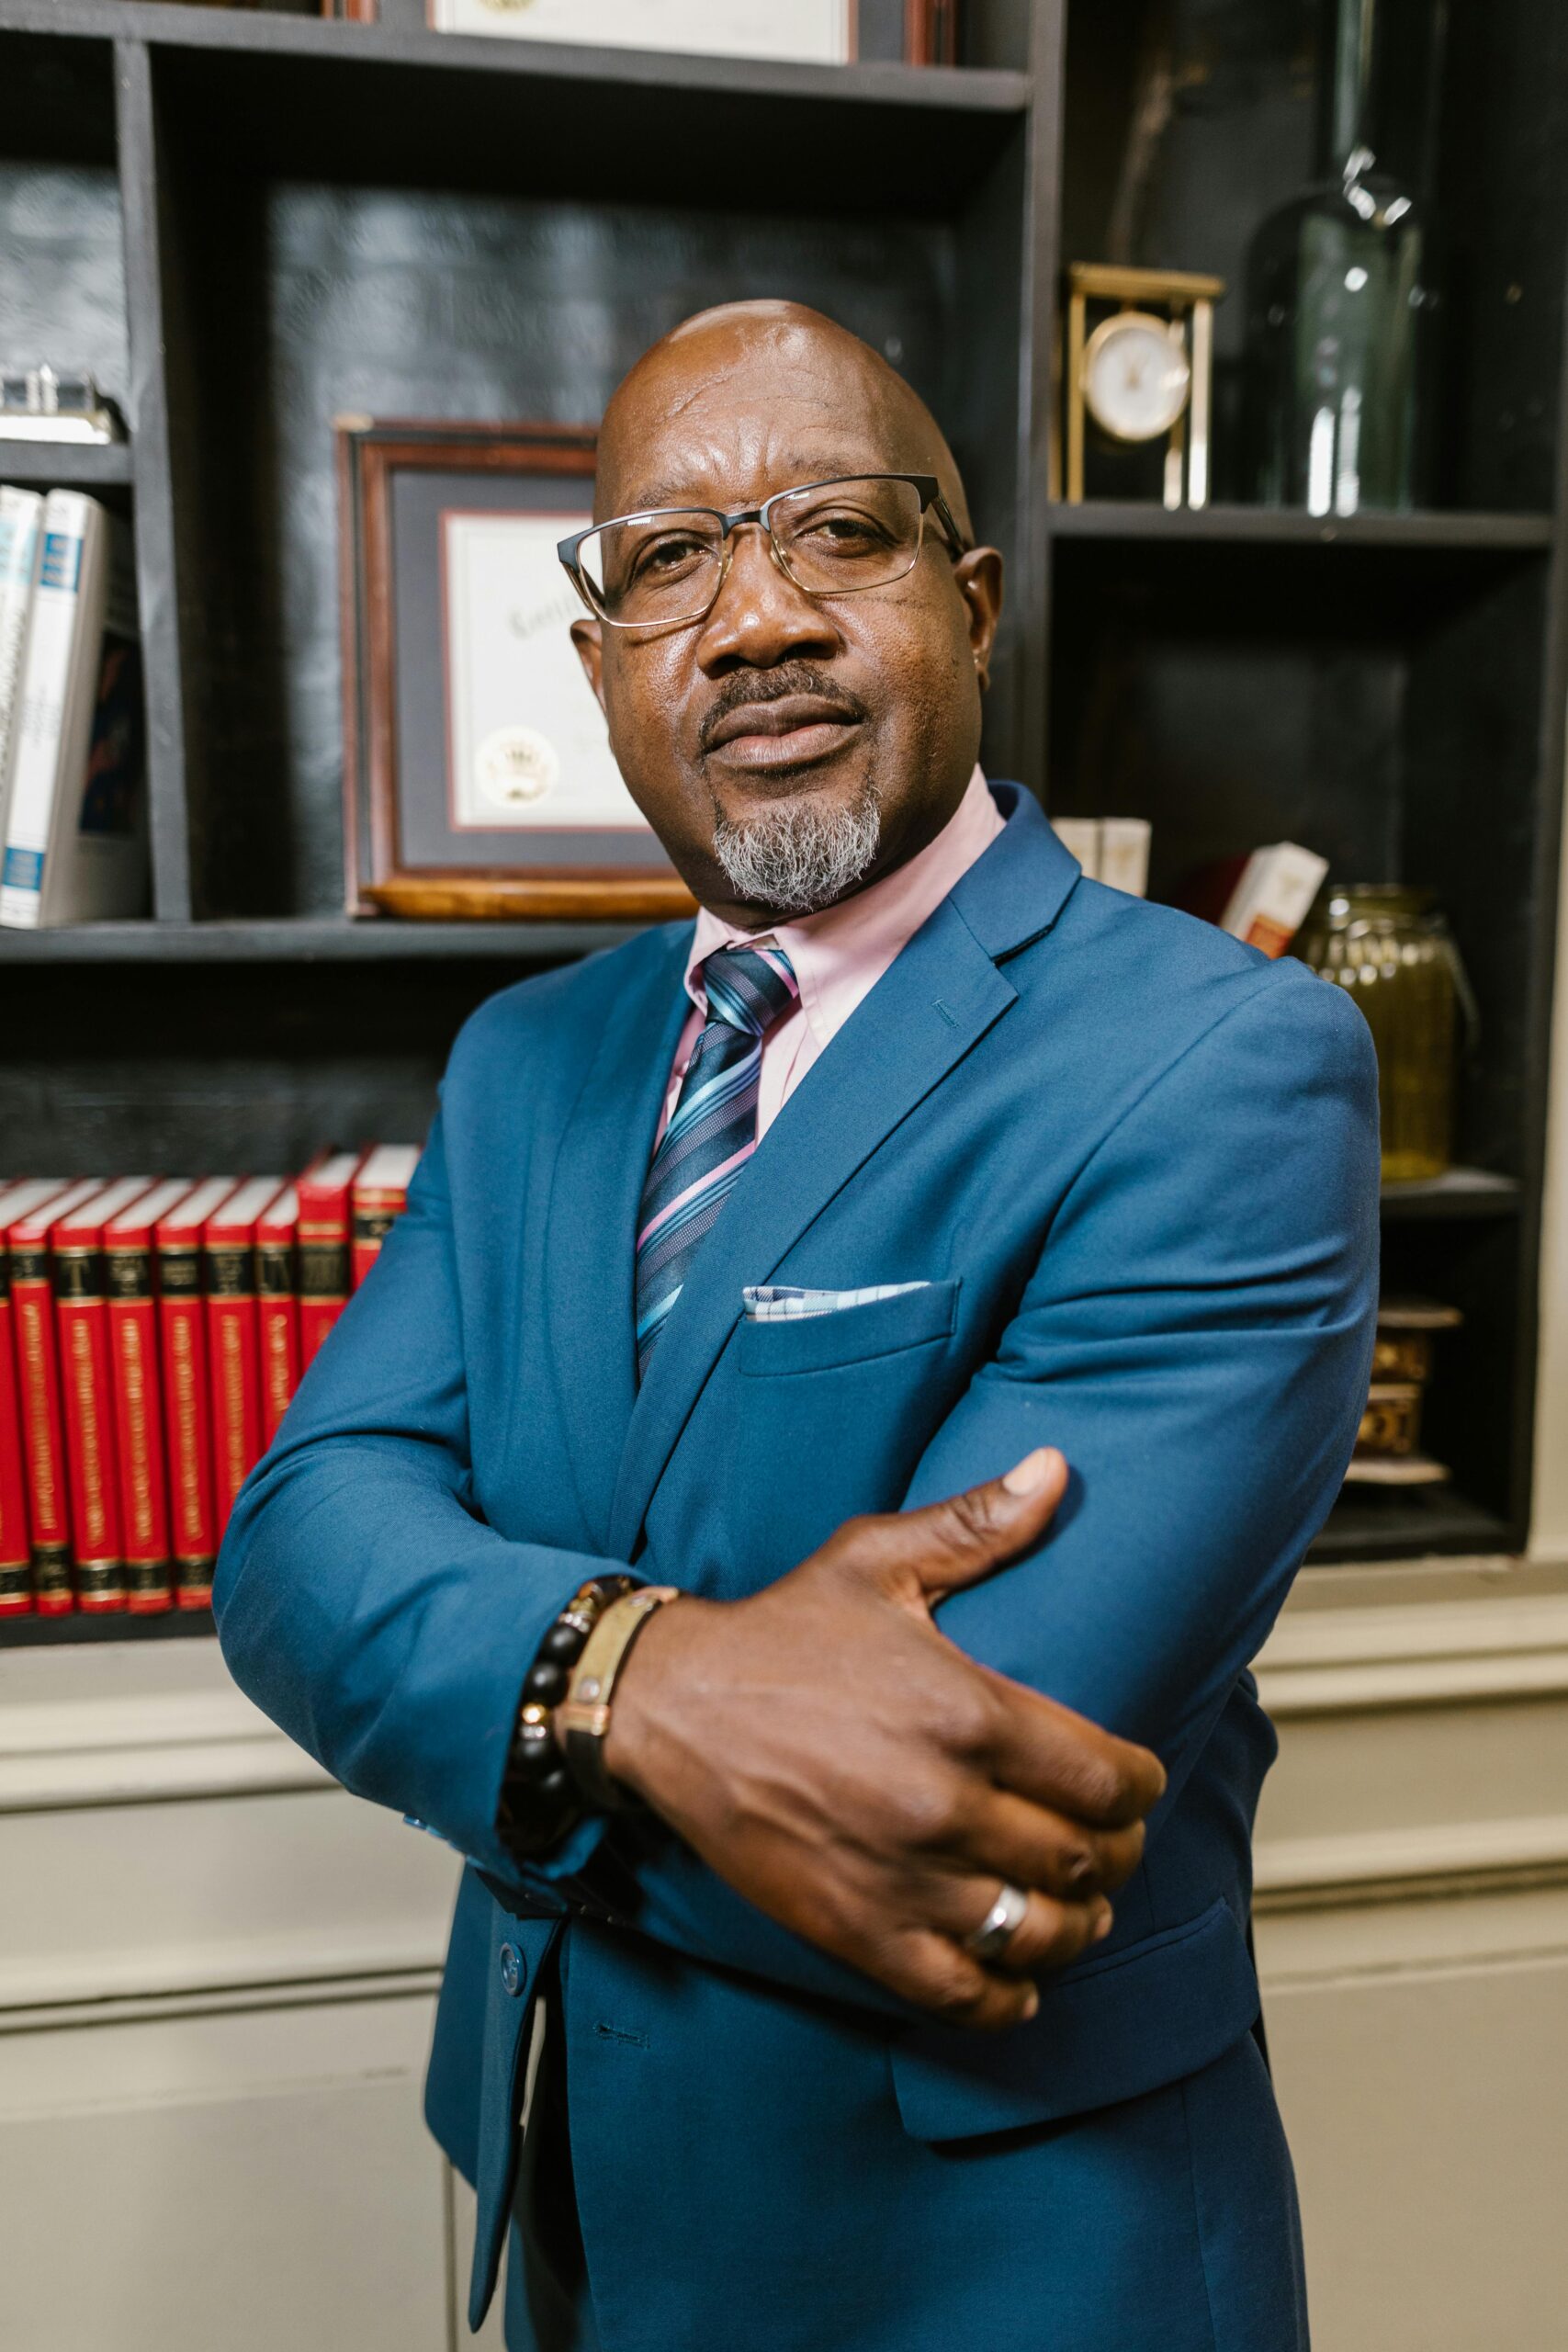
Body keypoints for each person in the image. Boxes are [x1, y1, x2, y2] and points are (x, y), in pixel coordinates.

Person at [215, 299, 1380, 2352]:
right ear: (600, 668)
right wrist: (636, 1674)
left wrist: (487, 1681)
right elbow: (299, 1540)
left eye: (835, 529)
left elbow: (939, 1796)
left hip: (1009, 2259)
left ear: (972, 599)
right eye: (668, 558)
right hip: (574, 2207)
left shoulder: (1224, 1062)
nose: (752, 616)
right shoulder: (522, 1062)